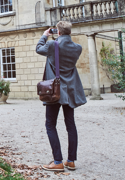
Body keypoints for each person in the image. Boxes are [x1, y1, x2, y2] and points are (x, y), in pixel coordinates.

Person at [35, 21, 86, 172]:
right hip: (69, 91)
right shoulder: (78, 48)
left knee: (50, 124)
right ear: (69, 32)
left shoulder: (52, 45)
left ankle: (57, 161)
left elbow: (38, 49)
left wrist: (44, 36)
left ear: (58, 31)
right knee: (71, 125)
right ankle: (71, 161)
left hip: (54, 91)